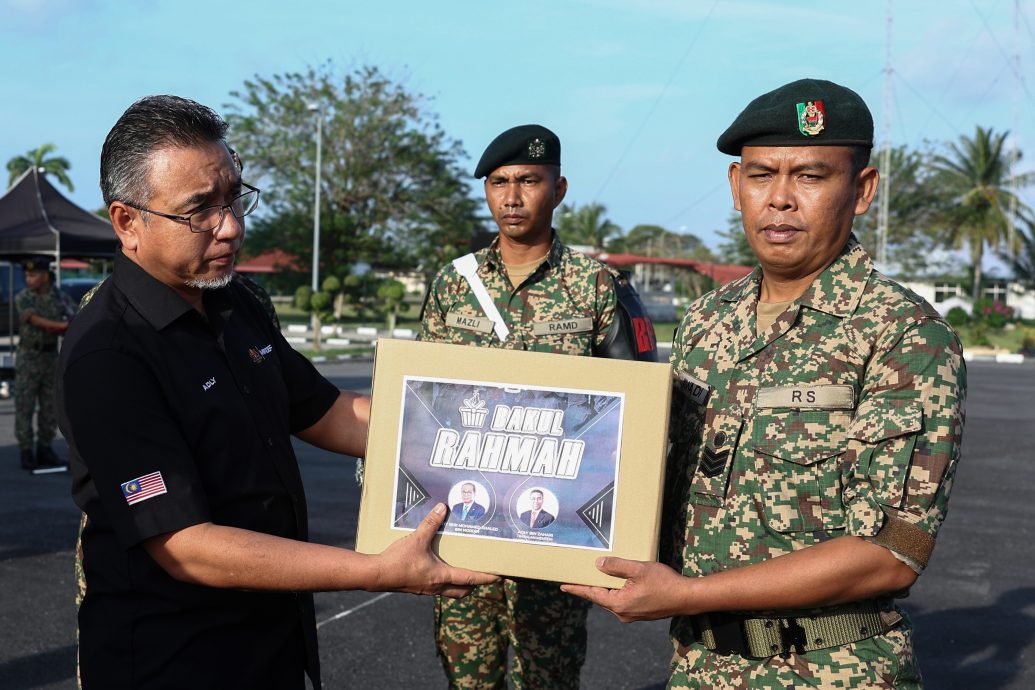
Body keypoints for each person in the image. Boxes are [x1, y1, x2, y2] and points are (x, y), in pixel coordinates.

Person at [57, 95, 495, 690]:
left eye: (234, 199)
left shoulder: (234, 306)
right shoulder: (108, 352)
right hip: (172, 657)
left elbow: (335, 414)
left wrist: (490, 432)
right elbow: (185, 545)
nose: (231, 226)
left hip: (269, 640)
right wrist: (375, 571)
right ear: (128, 222)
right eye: (199, 212)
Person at [563, 78, 967, 689]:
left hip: (833, 672)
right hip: (699, 664)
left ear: (861, 191)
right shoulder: (706, 321)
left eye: (810, 176)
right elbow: (654, 474)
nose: (779, 199)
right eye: (760, 175)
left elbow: (888, 556)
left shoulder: (905, 337)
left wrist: (687, 593)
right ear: (735, 187)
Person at [420, 124, 656, 688]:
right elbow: (422, 395)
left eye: (529, 180)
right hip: (464, 526)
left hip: (555, 526)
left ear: (559, 188)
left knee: (548, 678)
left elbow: (637, 405)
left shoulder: (597, 286)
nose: (512, 196)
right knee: (468, 677)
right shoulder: (455, 284)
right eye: (499, 182)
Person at [15, 256, 73, 471]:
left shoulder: (60, 298)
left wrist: (71, 322)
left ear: (45, 275)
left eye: (33, 274)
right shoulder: (24, 297)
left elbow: (76, 314)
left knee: (49, 407)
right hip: (29, 358)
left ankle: (45, 448)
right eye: (27, 275)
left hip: (50, 358)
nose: (28, 279)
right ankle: (26, 451)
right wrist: (64, 326)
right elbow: (35, 321)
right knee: (25, 406)